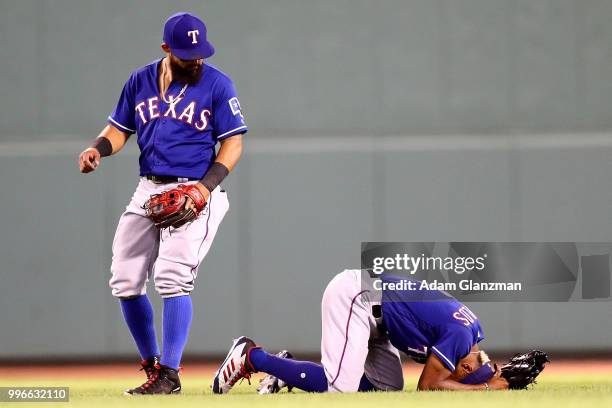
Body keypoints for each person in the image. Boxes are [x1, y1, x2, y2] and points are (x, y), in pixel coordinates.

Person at [78, 12, 247, 395]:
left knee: (171, 278)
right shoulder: (139, 81)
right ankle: (153, 367)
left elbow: (233, 143)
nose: (195, 60)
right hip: (148, 189)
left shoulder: (218, 84)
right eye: (187, 54)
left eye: (200, 52)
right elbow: (120, 129)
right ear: (166, 49)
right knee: (124, 279)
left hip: (196, 189)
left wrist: (205, 187)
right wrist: (97, 149)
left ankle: (170, 374)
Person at [212, 270, 511, 394]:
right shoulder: (462, 338)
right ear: (469, 364)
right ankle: (252, 356)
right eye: (465, 375)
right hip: (359, 297)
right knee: (338, 388)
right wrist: (484, 388)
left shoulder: (470, 334)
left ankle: (285, 368)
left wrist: (499, 378)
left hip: (379, 318)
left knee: (386, 389)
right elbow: (429, 385)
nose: (457, 377)